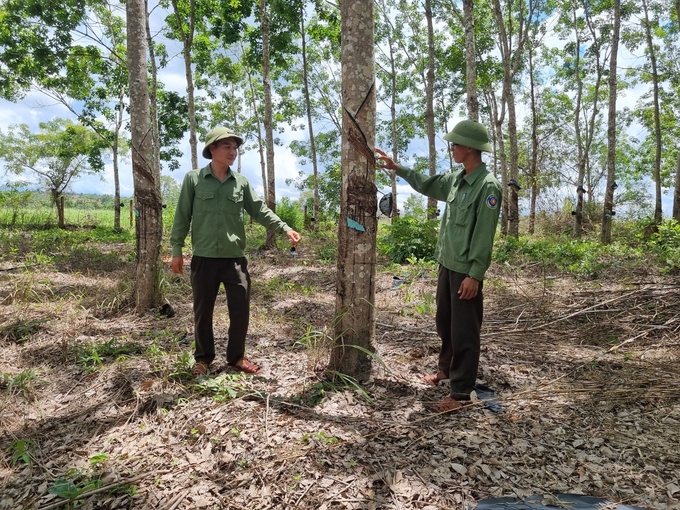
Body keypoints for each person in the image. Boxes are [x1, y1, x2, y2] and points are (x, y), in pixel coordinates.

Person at [375, 120, 502, 412]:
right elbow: (427, 185)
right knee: (444, 322)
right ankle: (446, 369)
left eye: (456, 144)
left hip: (466, 271)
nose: (453, 148)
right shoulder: (457, 178)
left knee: (465, 331)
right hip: (447, 263)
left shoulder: (488, 186)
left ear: (470, 148)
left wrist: (475, 274)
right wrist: (398, 168)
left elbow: (484, 235)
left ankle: (460, 393)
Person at [170, 126, 301, 376]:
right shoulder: (194, 179)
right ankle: (203, 359)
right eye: (227, 147)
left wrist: (285, 228)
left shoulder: (240, 182)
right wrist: (177, 250)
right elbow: (182, 216)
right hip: (204, 259)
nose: (233, 152)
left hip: (235, 261)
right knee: (202, 312)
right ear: (212, 149)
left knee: (240, 311)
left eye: (235, 148)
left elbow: (259, 210)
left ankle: (236, 357)